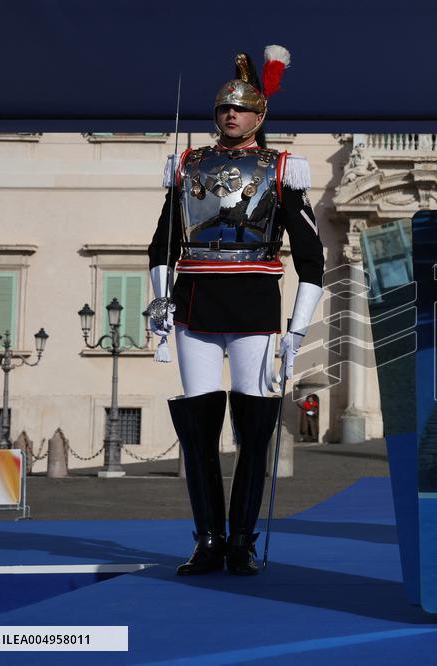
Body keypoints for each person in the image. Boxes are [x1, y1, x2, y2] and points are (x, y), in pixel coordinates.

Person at [147, 46, 324, 576]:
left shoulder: (282, 169)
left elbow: (312, 259)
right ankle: (207, 539)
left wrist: (296, 331)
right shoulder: (187, 164)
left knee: (254, 427)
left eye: (242, 107)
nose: (231, 114)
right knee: (198, 429)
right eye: (224, 107)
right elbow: (163, 244)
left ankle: (242, 540)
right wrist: (160, 300)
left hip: (253, 303)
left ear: (259, 115)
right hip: (195, 301)